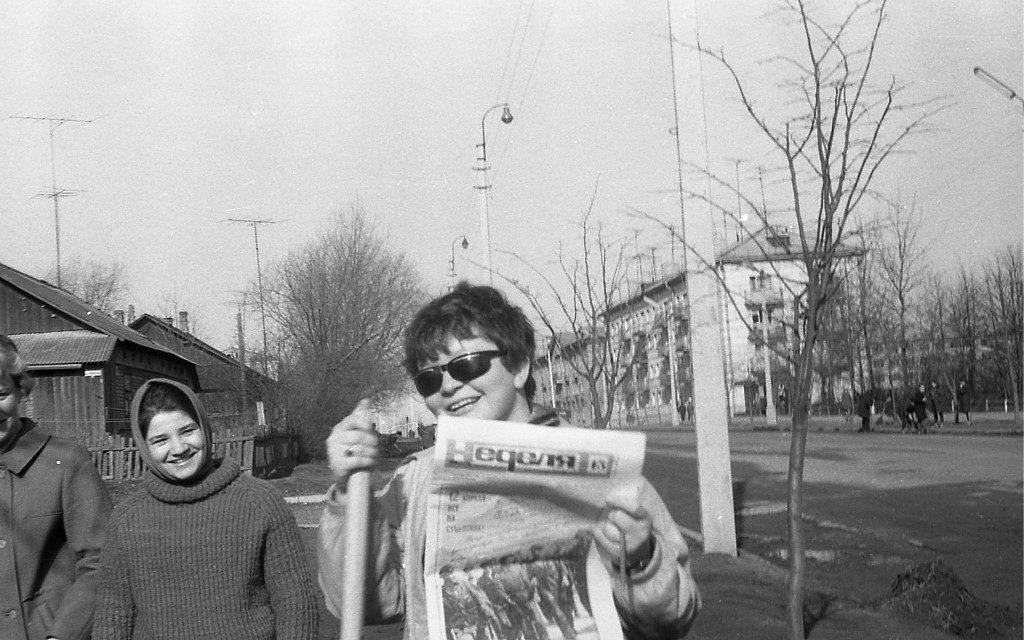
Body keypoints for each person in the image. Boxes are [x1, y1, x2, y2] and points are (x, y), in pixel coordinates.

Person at [319, 283, 700, 639]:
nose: (448, 386)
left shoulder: (604, 472)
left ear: (518, 367)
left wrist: (640, 560)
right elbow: (363, 602)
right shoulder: (414, 481)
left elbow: (675, 616)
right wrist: (349, 495)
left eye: (467, 364)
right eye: (429, 379)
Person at [94, 378, 318, 640]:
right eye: (160, 440)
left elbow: (296, 604)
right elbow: (113, 616)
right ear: (144, 446)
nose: (179, 448)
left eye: (187, 431)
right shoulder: (126, 520)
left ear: (204, 427)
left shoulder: (260, 503)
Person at [0, 334, 112, 640]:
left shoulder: (65, 461)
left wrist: (63, 634)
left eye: (0, 394)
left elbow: (102, 558)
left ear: (21, 390)